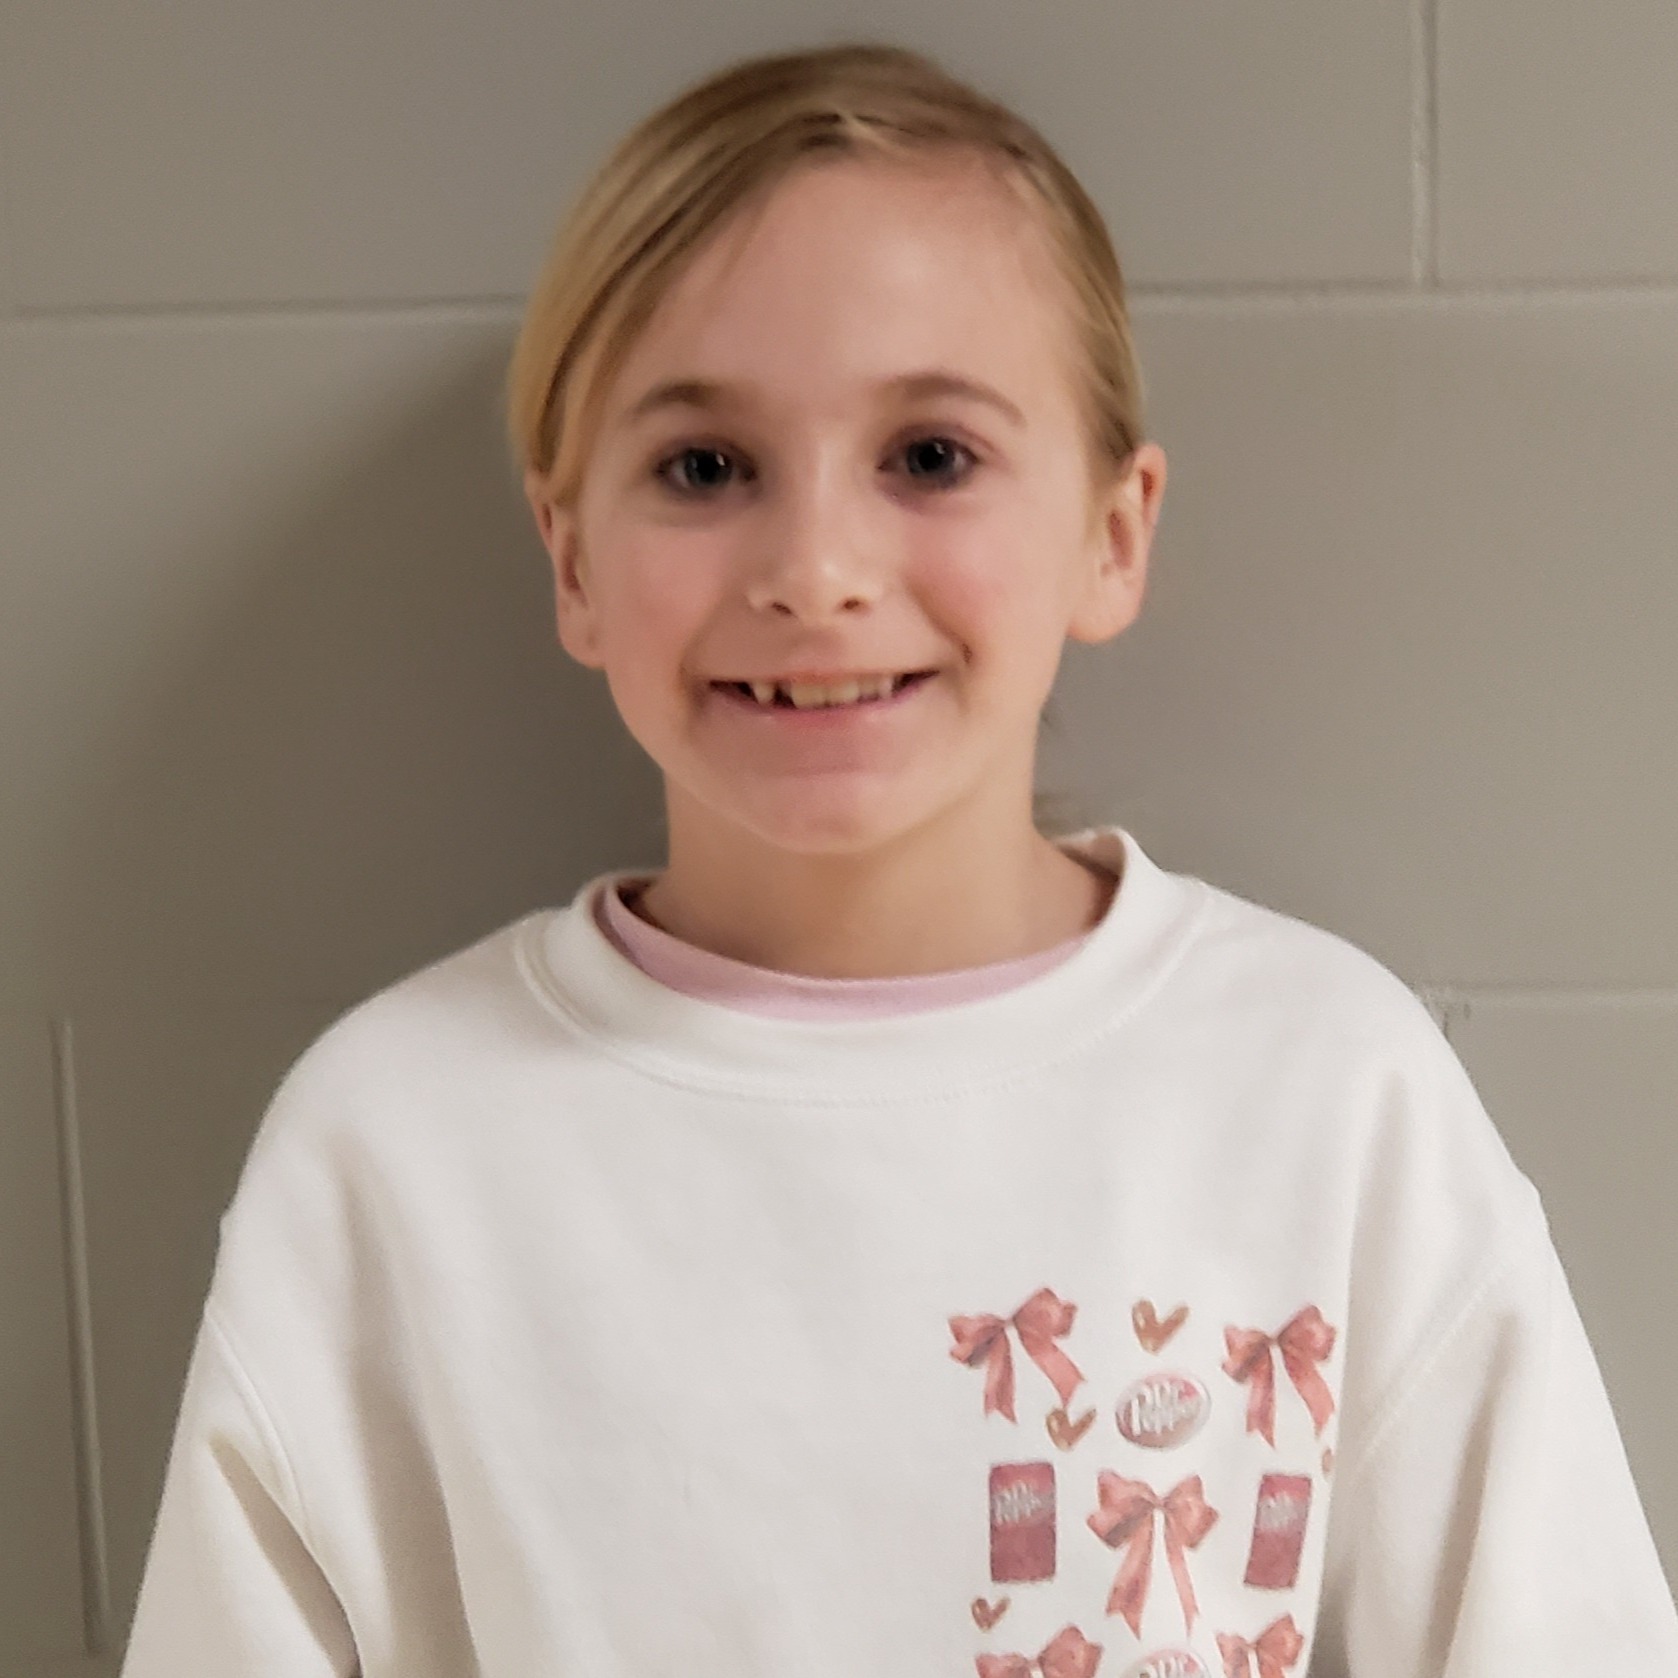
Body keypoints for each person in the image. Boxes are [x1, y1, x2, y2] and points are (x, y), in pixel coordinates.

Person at [119, 40, 1678, 1678]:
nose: (815, 567)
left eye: (929, 455)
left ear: (1112, 532)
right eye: (703, 467)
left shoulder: (1328, 1090)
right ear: (571, 560)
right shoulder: (388, 1146)